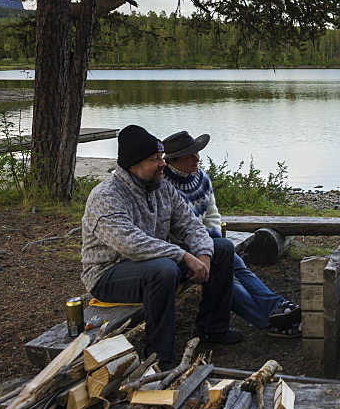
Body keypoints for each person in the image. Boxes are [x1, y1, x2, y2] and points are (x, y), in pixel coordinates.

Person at [81, 125, 242, 371]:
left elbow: (190, 224)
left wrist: (204, 254)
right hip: (108, 274)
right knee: (163, 270)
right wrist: (184, 255)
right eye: (154, 159)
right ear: (133, 166)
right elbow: (131, 244)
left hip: (153, 263)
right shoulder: (106, 196)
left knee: (221, 247)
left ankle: (213, 328)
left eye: (161, 157)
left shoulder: (161, 187)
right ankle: (159, 355)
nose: (162, 164)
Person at [161, 130, 302, 337]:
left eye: (197, 153)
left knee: (239, 267)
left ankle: (279, 306)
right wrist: (207, 248)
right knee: (226, 275)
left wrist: (215, 238)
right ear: (173, 160)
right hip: (182, 249)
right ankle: (270, 321)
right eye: (190, 155)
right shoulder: (164, 185)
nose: (197, 158)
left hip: (207, 241)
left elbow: (212, 214)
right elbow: (171, 232)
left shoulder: (200, 177)